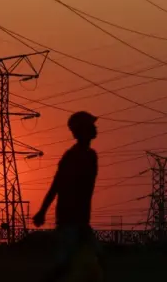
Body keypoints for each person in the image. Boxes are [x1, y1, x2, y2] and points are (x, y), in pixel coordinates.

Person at [32, 111, 102, 281]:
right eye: (90, 126)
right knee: (68, 265)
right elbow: (57, 185)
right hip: (69, 219)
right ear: (81, 130)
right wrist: (42, 211)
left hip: (81, 220)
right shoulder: (72, 156)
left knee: (90, 265)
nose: (95, 128)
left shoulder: (90, 156)